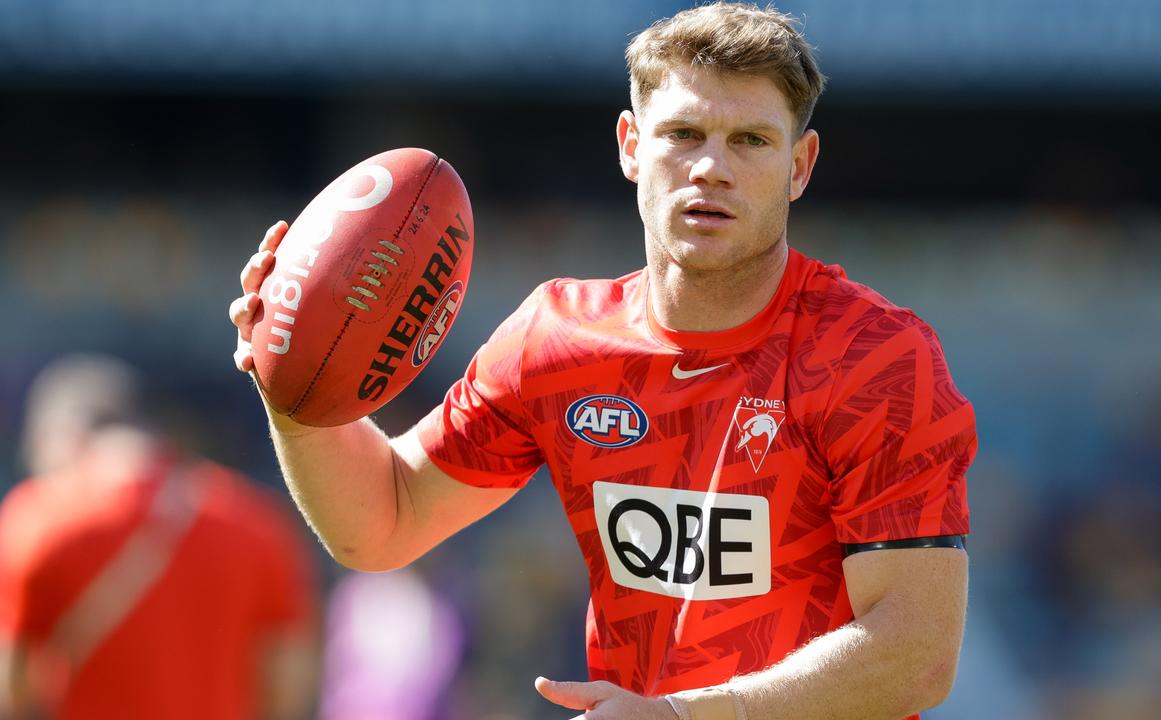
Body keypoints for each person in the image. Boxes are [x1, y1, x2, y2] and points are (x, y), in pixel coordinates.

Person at [229, 3, 976, 719]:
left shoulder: (876, 358)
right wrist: (293, 390)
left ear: (800, 166)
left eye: (751, 140)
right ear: (629, 144)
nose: (711, 167)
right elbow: (383, 522)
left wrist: (688, 715)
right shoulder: (557, 341)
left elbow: (916, 653)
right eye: (683, 133)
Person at [0, 355, 319, 720]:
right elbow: (287, 690)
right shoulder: (257, 519)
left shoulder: (37, 519)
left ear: (64, 438)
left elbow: (12, 690)